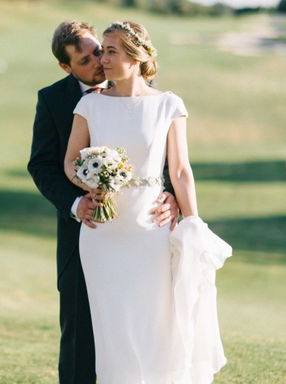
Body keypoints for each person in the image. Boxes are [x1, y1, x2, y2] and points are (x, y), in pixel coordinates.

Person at [63, 21, 227, 383]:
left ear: (135, 57)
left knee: (158, 323)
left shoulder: (169, 105)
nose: (101, 59)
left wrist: (193, 219)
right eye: (102, 50)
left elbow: (181, 169)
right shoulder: (89, 104)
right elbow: (71, 162)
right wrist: (91, 184)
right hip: (102, 236)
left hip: (152, 230)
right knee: (113, 331)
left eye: (110, 51)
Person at [27, 21, 180, 384]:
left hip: (144, 233)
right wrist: (76, 204)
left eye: (100, 51)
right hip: (87, 232)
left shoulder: (142, 93)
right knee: (81, 331)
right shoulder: (53, 99)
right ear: (66, 67)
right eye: (86, 59)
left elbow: (164, 158)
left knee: (140, 327)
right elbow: (42, 165)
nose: (99, 61)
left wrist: (172, 196)